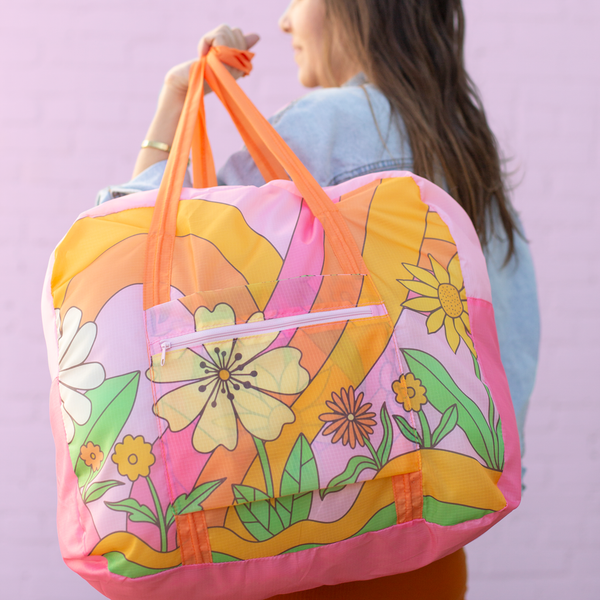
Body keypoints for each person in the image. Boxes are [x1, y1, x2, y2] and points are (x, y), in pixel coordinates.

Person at [97, 1, 540, 598]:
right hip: (425, 551)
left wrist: (173, 106)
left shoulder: (326, 125)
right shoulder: (464, 143)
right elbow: (505, 361)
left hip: (296, 546)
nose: (283, 22)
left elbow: (131, 240)